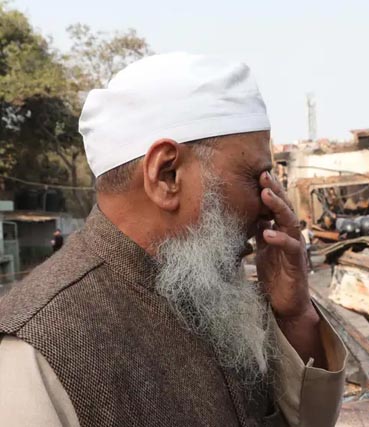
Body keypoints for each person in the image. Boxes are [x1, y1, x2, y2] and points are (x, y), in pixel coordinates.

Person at [0, 53, 347, 427]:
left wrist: (294, 317)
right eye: (256, 178)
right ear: (167, 175)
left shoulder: (218, 296)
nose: (269, 206)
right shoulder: (36, 350)